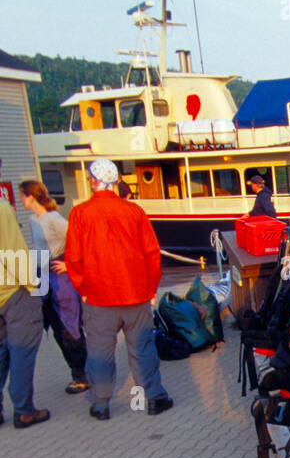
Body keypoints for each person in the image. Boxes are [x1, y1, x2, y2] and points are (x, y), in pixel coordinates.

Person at [65, 157, 173, 421]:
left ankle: (101, 404)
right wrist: (150, 288)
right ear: (115, 182)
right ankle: (154, 398)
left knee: (100, 351)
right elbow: (151, 254)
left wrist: (83, 289)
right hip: (136, 293)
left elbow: (73, 258)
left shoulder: (80, 213)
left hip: (99, 297)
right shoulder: (134, 212)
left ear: (94, 181)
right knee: (142, 347)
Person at [19, 180, 89, 393]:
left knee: (69, 326)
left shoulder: (54, 219)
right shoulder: (33, 219)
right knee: (57, 328)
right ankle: (77, 372)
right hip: (44, 277)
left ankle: (84, 374)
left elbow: (79, 240)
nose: (21, 199)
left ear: (31, 196)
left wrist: (69, 264)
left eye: (22, 195)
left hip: (60, 278)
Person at [0, 190, 50, 427]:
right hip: (12, 291)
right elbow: (13, 251)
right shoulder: (2, 209)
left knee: (1, 353)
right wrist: (33, 286)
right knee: (22, 351)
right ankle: (24, 410)